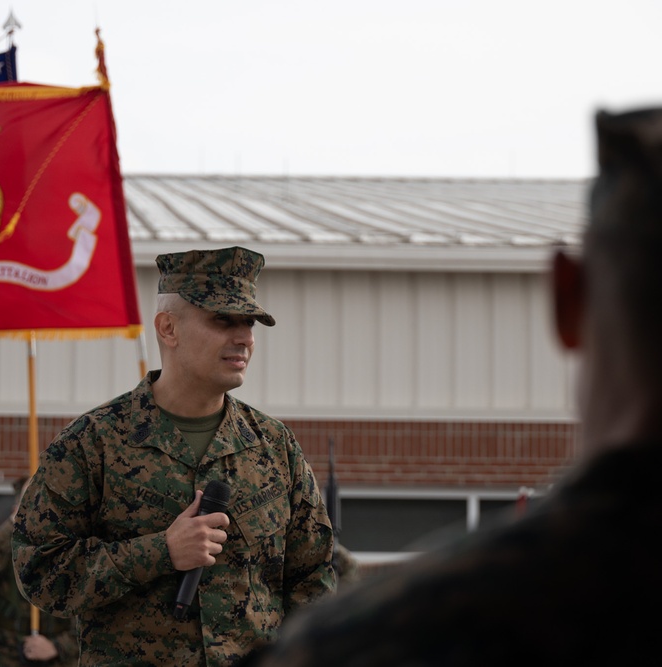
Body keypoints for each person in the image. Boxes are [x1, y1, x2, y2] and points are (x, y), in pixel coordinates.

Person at [241, 107, 662, 666]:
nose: (239, 338)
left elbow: (318, 568)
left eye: (243, 323)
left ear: (566, 296)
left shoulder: (393, 636)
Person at [12, 246, 335, 666]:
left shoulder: (274, 446)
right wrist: (160, 551)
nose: (244, 338)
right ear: (168, 328)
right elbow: (39, 570)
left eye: (249, 323)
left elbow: (314, 577)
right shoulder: (94, 442)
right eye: (223, 320)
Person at [0, 477, 78, 666]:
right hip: (7, 652)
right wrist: (14, 522)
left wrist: (58, 647)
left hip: (56, 654)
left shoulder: (72, 546)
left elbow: (91, 614)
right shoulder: (9, 545)